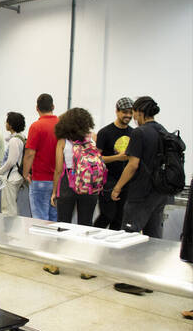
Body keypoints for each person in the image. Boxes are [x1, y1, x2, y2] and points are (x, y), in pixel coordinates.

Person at [111, 96, 168, 295]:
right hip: (160, 193)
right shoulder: (162, 131)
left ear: (140, 112)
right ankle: (150, 280)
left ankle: (132, 281)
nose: (133, 116)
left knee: (130, 235)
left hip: (141, 193)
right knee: (153, 237)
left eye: (134, 112)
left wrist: (117, 187)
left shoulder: (140, 132)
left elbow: (133, 165)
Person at [49, 108, 101, 278]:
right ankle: (86, 269)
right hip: (88, 185)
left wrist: (54, 191)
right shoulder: (92, 138)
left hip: (68, 184)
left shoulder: (63, 142)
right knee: (86, 225)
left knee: (63, 224)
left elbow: (58, 169)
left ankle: (56, 264)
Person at [93, 97, 134, 230]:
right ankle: (94, 238)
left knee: (119, 218)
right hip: (107, 181)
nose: (128, 115)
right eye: (125, 112)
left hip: (126, 181)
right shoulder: (105, 132)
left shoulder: (134, 133)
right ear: (117, 111)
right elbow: (96, 158)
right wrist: (117, 157)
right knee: (107, 215)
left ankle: (112, 242)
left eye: (131, 112)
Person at [23, 93, 59, 222]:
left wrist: (25, 173)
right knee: (54, 220)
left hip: (40, 179)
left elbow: (30, 154)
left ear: (37, 108)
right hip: (59, 180)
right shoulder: (61, 125)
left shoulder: (36, 127)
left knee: (40, 220)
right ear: (53, 106)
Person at [0, 112, 26, 216]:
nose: (5, 123)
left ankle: (10, 227)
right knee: (12, 205)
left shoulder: (14, 141)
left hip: (11, 177)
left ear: (11, 125)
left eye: (7, 122)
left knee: (8, 209)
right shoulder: (21, 138)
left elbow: (11, 161)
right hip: (17, 176)